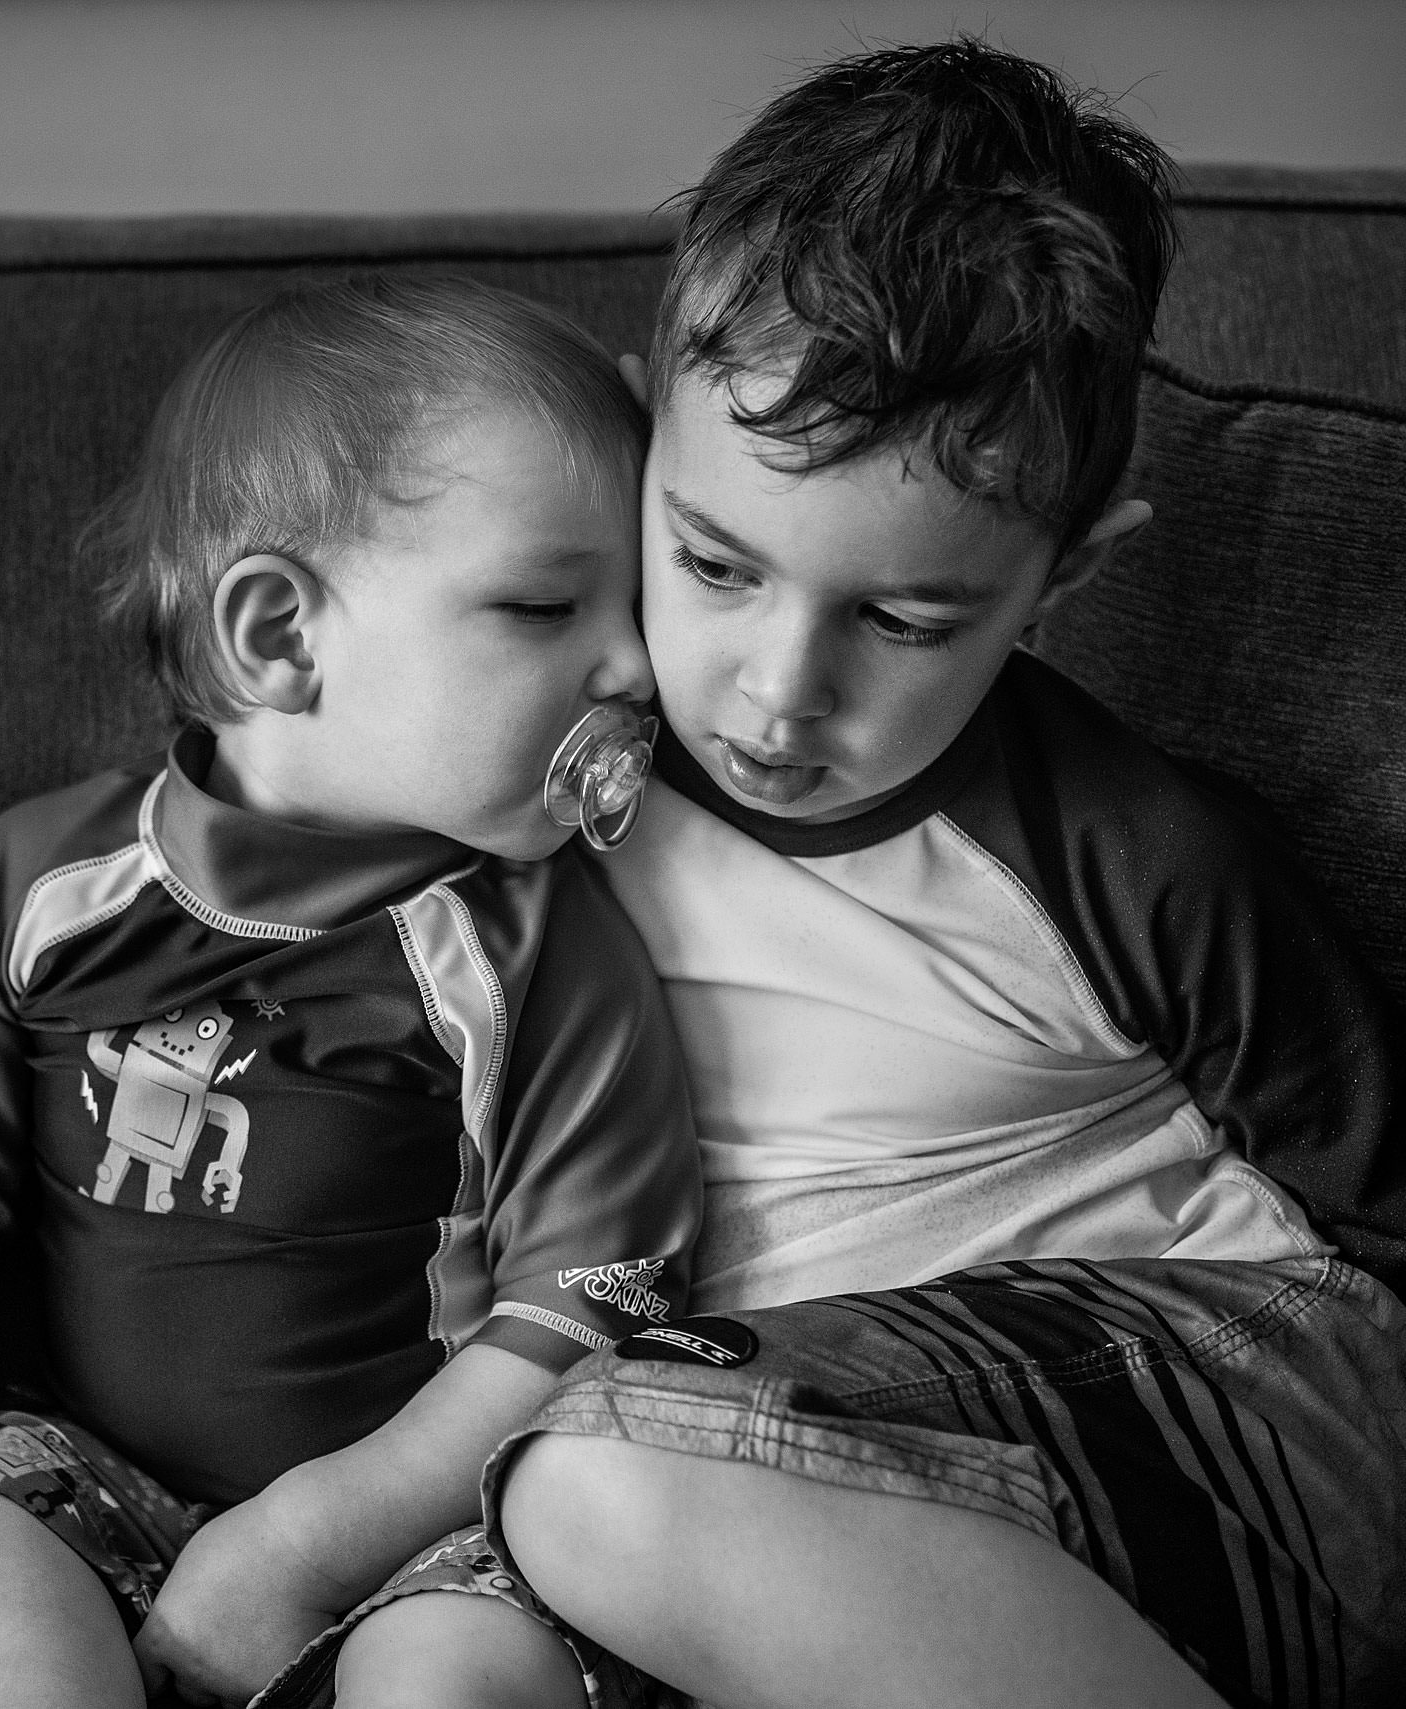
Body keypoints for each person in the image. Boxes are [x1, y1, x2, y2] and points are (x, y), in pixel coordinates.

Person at [480, 39, 1406, 1709]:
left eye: (902, 622)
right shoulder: (543, 772)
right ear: (638, 446)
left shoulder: (1132, 856)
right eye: (711, 563)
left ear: (1060, 579)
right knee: (463, 1633)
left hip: (1235, 1380)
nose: (776, 690)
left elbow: (1372, 1244)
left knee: (590, 1471)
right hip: (798, 1454)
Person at [0, 275, 704, 1709]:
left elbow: (579, 1312)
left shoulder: (539, 947)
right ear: (280, 638)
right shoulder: (36, 883)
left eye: (635, 601)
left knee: (459, 1672)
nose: (636, 665)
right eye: (548, 603)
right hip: (85, 1479)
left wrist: (305, 1543)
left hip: (421, 1525)